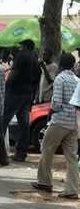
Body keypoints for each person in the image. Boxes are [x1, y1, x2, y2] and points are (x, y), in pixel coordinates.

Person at [31, 53, 79, 199]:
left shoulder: (60, 78)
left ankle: (45, 181)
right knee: (71, 158)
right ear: (72, 65)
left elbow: (56, 103)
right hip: (73, 123)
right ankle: (71, 190)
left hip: (59, 121)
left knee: (46, 149)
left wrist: (51, 110)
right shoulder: (77, 80)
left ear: (60, 64)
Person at [2, 39, 41, 162]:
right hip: (28, 94)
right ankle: (21, 152)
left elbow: (14, 73)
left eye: (21, 46)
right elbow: (38, 77)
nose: (20, 48)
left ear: (25, 46)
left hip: (15, 92)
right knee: (24, 123)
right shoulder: (35, 58)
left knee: (3, 120)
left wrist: (6, 86)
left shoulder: (22, 56)